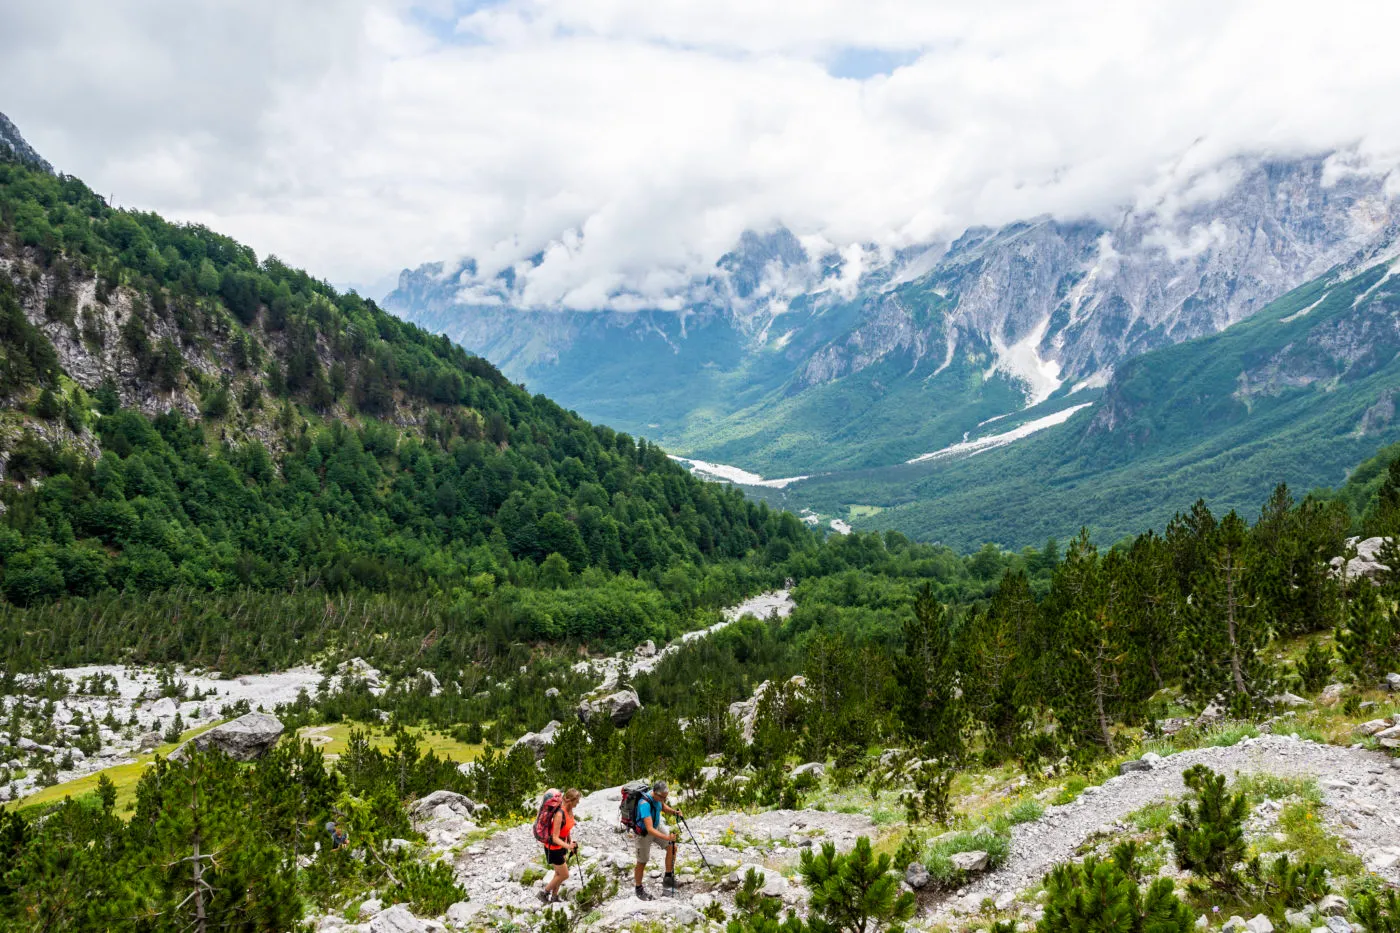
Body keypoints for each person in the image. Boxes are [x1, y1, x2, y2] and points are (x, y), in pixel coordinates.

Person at [633, 780, 683, 900]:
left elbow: (662, 806)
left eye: (665, 797)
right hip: (644, 833)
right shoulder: (644, 804)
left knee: (672, 847)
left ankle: (668, 878)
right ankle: (638, 888)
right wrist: (667, 837)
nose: (663, 799)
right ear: (655, 793)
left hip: (656, 826)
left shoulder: (658, 798)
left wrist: (674, 812)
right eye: (662, 797)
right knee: (642, 861)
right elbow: (649, 829)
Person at [540, 788, 581, 904]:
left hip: (561, 846)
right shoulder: (559, 814)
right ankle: (544, 892)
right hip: (553, 848)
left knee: (558, 874)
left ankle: (554, 897)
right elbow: (554, 837)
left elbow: (566, 828)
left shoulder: (570, 812)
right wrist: (568, 846)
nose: (577, 803)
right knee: (564, 874)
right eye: (576, 801)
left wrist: (570, 842)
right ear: (570, 800)